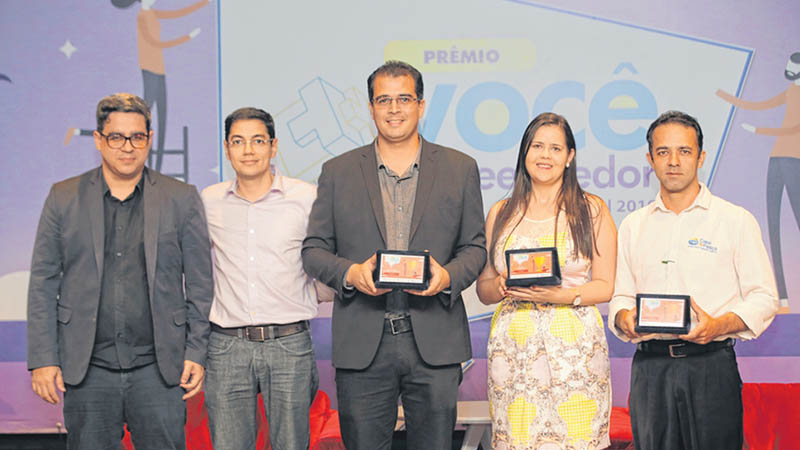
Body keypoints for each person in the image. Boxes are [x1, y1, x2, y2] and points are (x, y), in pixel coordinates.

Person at [302, 60, 486, 450]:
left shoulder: (459, 168)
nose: (394, 109)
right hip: (364, 342)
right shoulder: (338, 172)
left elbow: (475, 247)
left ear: (421, 105)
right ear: (370, 108)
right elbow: (314, 250)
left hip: (434, 341)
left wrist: (447, 277)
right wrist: (351, 273)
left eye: (404, 98)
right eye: (383, 100)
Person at [27, 93, 213, 449]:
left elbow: (201, 283)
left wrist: (195, 352)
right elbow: (42, 282)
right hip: (87, 369)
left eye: (137, 137)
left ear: (150, 139)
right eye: (116, 137)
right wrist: (43, 358)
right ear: (99, 140)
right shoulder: (63, 197)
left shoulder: (181, 197)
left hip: (159, 368)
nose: (127, 147)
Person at [609, 111, 779, 449]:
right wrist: (624, 318)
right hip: (649, 369)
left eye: (684, 151)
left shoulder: (734, 220)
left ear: (700, 157)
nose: (673, 161)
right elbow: (621, 297)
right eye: (663, 152)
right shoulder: (633, 225)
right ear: (650, 159)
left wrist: (717, 325)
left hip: (711, 367)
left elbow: (764, 297)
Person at [477, 112, 617, 449]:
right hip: (514, 350)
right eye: (537, 146)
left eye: (555, 148)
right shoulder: (501, 211)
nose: (545, 155)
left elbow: (605, 285)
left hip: (575, 348)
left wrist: (560, 296)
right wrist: (500, 287)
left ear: (569, 157)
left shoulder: (592, 209)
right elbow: (484, 286)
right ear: (524, 153)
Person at [201, 107, 328, 449]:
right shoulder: (208, 201)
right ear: (227, 149)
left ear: (273, 147)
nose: (249, 150)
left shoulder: (306, 197)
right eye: (238, 142)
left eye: (258, 141)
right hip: (226, 345)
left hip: (289, 342)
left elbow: (326, 257)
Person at [716, 51, 800, 312]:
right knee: (772, 228)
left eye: (792, 67)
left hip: (794, 160)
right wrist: (728, 98)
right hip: (776, 160)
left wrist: (758, 131)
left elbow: (793, 128)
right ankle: (782, 298)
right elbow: (762, 105)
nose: (788, 71)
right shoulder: (790, 92)